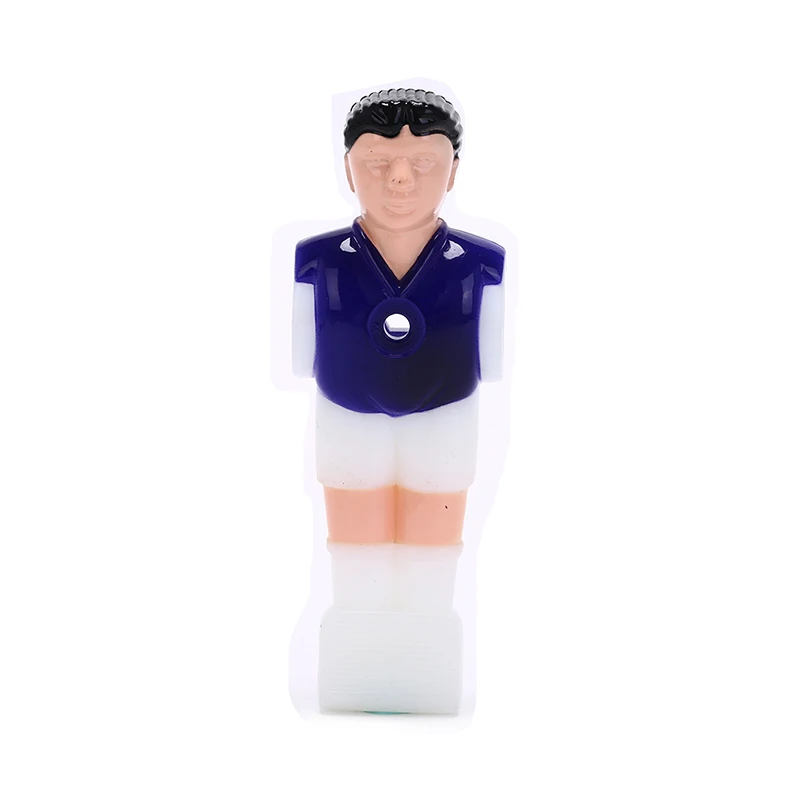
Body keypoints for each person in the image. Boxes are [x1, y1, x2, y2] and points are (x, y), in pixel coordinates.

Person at [293, 88, 505, 547]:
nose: (400, 178)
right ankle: (355, 592)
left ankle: (430, 593)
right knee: (353, 534)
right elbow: (301, 358)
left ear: (453, 172)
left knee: (435, 537)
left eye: (424, 162)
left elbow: (491, 364)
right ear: (348, 170)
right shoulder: (318, 262)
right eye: (377, 162)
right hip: (346, 414)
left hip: (445, 416)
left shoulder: (481, 266)